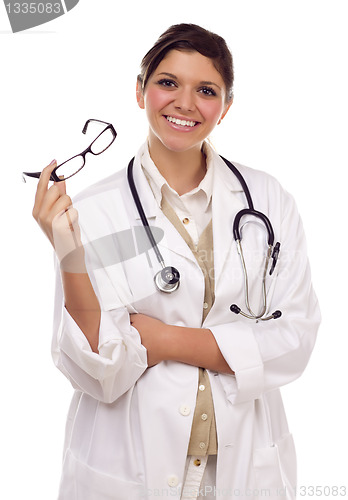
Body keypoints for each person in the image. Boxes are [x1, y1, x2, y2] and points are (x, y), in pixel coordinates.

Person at [32, 23, 320, 500]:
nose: (185, 103)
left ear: (225, 108)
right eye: (168, 82)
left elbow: (294, 340)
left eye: (206, 90)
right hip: (129, 471)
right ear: (140, 89)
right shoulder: (95, 212)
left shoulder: (268, 200)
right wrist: (69, 254)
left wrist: (162, 338)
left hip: (243, 469)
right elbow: (98, 369)